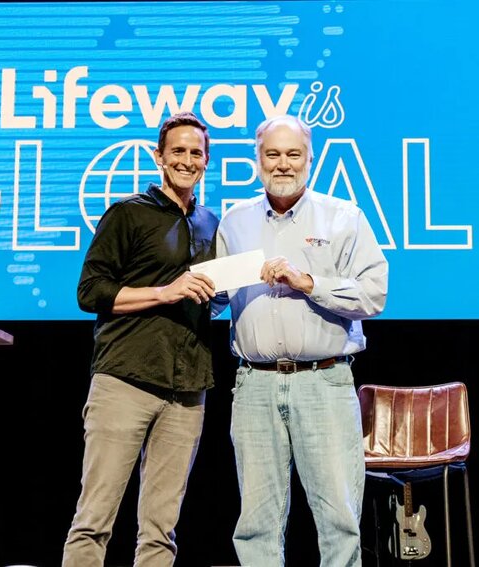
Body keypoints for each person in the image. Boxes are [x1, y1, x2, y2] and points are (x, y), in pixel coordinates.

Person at [213, 115, 389, 566]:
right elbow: (215, 299)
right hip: (254, 384)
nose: (283, 164)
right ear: (257, 160)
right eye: (272, 154)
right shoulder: (234, 222)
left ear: (310, 159)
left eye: (293, 154)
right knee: (256, 525)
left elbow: (373, 293)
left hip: (324, 381)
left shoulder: (344, 217)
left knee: (339, 519)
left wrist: (307, 282)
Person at [63, 111, 218, 567]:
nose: (187, 160)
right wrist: (164, 292)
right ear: (159, 157)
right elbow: (90, 292)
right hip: (124, 381)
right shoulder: (127, 213)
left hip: (187, 389)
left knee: (161, 531)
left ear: (206, 160)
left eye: (196, 152)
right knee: (94, 520)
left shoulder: (210, 222)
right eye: (178, 152)